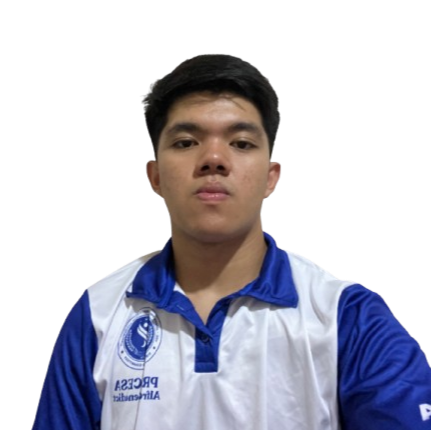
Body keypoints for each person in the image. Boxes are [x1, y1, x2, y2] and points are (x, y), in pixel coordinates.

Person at [32, 53, 430, 430]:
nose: (214, 159)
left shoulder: (346, 316)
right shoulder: (98, 315)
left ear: (271, 177)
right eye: (186, 142)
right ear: (155, 177)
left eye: (241, 143)